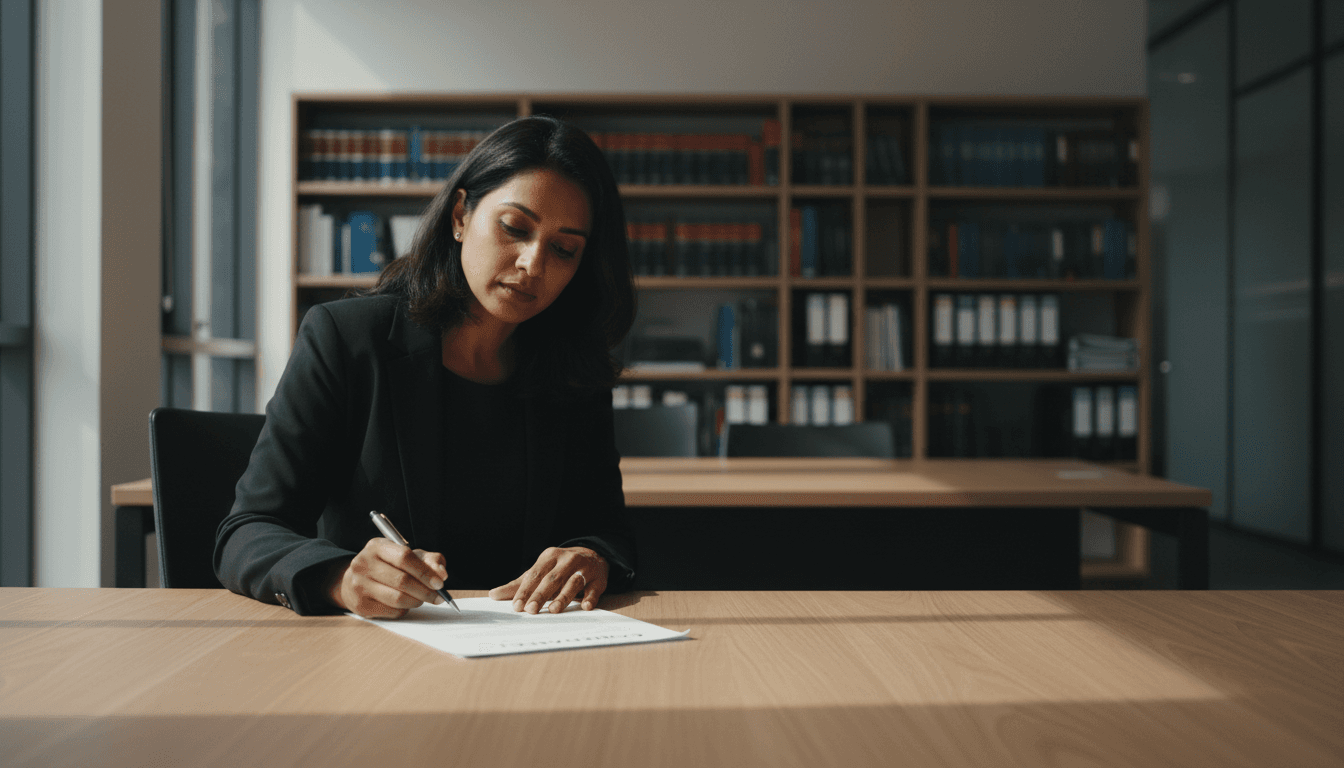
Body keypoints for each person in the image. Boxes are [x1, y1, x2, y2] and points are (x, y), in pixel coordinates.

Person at [214, 116, 637, 618]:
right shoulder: (347, 340)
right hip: (376, 658)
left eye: (564, 249)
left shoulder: (573, 368)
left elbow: (607, 528)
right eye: (514, 228)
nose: (533, 264)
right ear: (460, 216)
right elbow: (246, 532)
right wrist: (340, 578)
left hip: (531, 650)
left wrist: (593, 557)